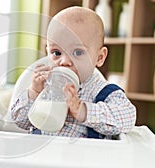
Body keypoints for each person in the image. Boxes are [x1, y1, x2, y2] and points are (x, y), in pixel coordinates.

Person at [10, 6, 136, 139]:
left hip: (81, 158)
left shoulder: (104, 92)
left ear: (99, 57)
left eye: (77, 52)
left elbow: (127, 118)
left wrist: (83, 110)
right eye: (56, 53)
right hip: (40, 155)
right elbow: (19, 121)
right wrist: (34, 92)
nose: (64, 61)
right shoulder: (45, 86)